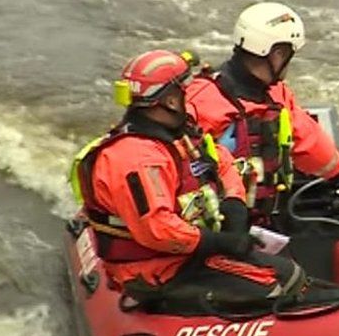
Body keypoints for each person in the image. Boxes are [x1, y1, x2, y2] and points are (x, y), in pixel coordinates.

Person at [69, 49, 305, 313]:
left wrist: (235, 203)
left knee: (291, 274)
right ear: (170, 101)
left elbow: (221, 160)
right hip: (157, 271)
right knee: (274, 290)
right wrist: (218, 242)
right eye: (184, 91)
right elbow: (157, 228)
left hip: (189, 255)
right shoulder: (137, 158)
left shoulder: (179, 135)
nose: (188, 98)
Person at [184, 2, 339, 224]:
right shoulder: (202, 99)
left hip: (259, 219)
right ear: (277, 54)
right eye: (289, 54)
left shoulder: (277, 96)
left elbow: (308, 141)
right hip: (213, 226)